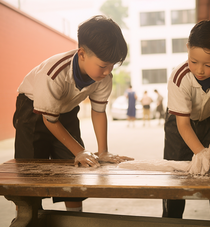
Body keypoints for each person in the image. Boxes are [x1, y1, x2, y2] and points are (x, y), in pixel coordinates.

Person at [13, 15, 133, 213]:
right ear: (82, 53)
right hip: (32, 113)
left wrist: (102, 151)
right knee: (30, 178)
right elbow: (49, 120)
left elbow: (99, 112)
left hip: (66, 113)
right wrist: (79, 150)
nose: (107, 72)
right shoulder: (54, 74)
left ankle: (75, 219)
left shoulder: (104, 77)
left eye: (112, 66)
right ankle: (27, 218)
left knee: (78, 170)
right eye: (103, 65)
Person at [163, 20, 210, 221]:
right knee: (176, 176)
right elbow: (183, 124)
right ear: (188, 48)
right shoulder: (179, 77)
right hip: (179, 122)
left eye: (208, 65)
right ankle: (171, 220)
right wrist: (202, 153)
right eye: (193, 61)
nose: (199, 70)